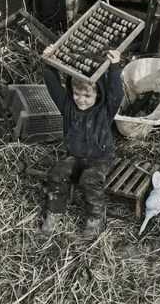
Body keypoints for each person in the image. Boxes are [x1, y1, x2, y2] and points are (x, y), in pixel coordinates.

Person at [40, 45, 124, 240]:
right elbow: (53, 85)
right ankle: (54, 212)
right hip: (74, 155)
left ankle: (95, 219)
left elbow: (116, 93)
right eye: (77, 93)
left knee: (90, 179)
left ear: (98, 94)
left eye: (87, 95)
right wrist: (49, 61)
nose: (81, 99)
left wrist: (114, 68)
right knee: (56, 173)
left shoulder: (105, 110)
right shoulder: (68, 106)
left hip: (100, 158)